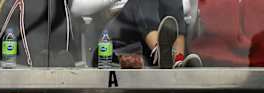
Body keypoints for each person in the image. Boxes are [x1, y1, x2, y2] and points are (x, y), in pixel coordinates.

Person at [71, 0, 203, 68]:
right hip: (114, 42)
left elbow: (185, 7)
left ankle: (177, 61)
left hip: (147, 45)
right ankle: (163, 52)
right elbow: (76, 8)